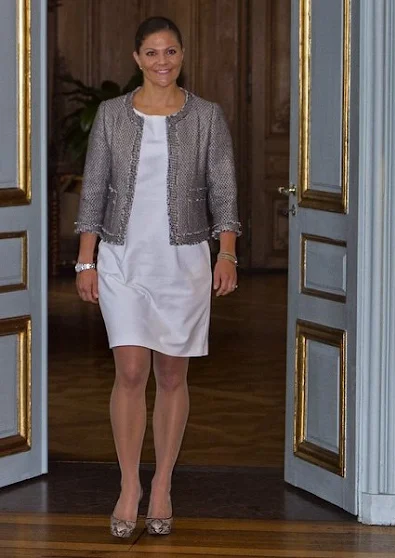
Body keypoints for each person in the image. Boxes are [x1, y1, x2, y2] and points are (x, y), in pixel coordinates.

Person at [74, 16, 240, 538]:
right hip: (122, 261)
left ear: (182, 55)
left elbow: (225, 191)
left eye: (170, 52)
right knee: (128, 372)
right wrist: (86, 260)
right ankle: (129, 486)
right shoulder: (110, 116)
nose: (162, 62)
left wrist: (227, 252)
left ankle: (163, 481)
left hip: (184, 262)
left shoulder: (207, 117)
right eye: (151, 53)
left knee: (172, 376)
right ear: (136, 59)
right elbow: (94, 189)